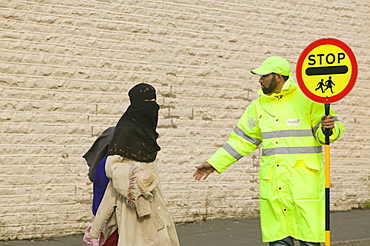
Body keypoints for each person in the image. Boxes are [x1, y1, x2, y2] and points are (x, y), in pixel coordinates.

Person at [193, 56, 344, 246]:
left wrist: (329, 128)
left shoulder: (308, 98)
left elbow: (327, 134)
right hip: (274, 187)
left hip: (303, 185)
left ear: (278, 77)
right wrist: (214, 163)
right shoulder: (258, 106)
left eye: (264, 76)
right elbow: (242, 140)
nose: (260, 80)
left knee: (309, 239)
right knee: (278, 239)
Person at [88, 83, 180, 246]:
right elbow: (112, 167)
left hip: (154, 201)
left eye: (153, 100)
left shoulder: (147, 133)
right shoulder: (126, 130)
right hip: (131, 204)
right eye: (146, 101)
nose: (151, 107)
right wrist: (136, 179)